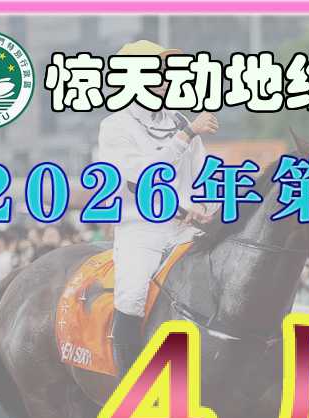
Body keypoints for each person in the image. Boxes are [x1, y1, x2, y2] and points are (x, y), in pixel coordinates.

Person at [99, 40, 219, 375]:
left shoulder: (180, 120)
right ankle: (129, 381)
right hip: (142, 230)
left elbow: (202, 173)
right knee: (132, 295)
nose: (166, 78)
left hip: (187, 230)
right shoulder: (115, 126)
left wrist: (210, 207)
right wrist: (186, 134)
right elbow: (143, 177)